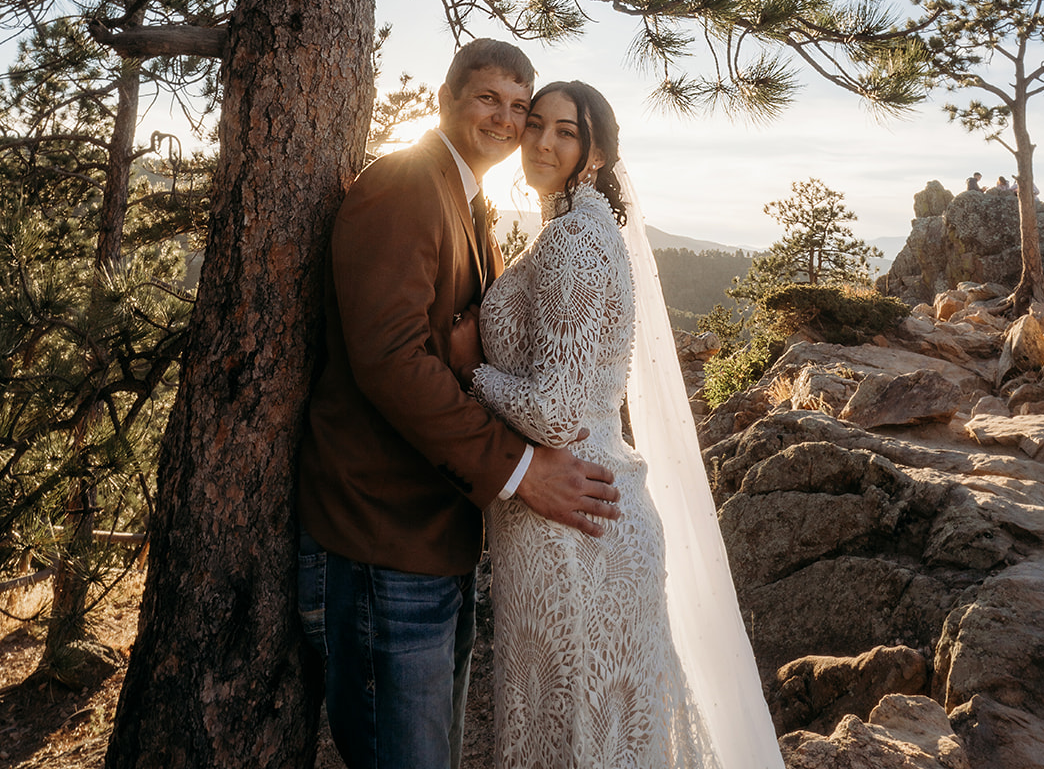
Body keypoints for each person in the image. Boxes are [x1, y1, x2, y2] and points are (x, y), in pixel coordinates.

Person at [296, 40, 621, 769]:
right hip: (380, 535)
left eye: (519, 107)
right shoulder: (405, 185)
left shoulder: (466, 203)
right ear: (446, 99)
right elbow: (390, 359)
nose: (507, 121)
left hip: (436, 533)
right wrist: (520, 472)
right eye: (488, 100)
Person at [450, 81, 784, 768]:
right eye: (534, 124)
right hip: (581, 510)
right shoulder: (580, 229)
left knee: (575, 738)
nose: (541, 141)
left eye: (564, 132)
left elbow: (557, 412)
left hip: (576, 524)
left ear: (596, 151)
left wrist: (470, 370)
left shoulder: (574, 241)